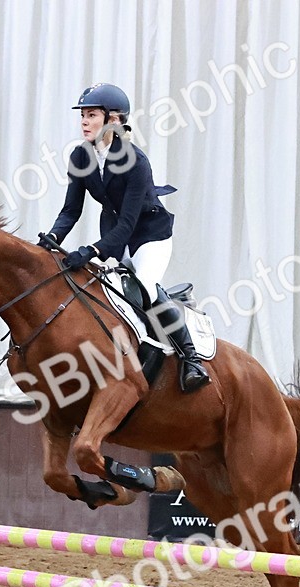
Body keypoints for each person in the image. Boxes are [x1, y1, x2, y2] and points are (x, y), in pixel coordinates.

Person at [40, 83, 210, 393]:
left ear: (114, 120)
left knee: (143, 285)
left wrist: (91, 250)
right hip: (115, 235)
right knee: (108, 295)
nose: (84, 122)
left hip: (148, 235)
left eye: (92, 115)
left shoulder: (135, 160)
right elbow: (70, 211)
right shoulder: (81, 157)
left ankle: (191, 358)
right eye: (83, 116)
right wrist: (51, 238)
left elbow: (130, 223)